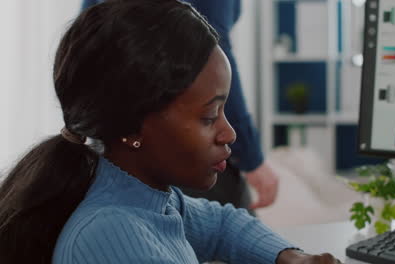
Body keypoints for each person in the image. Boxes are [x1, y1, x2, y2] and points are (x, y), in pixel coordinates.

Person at [0, 0, 340, 263]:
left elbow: (222, 225)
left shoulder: (150, 198)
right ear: (133, 125)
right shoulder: (113, 237)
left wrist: (290, 256)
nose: (229, 134)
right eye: (209, 117)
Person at [81, 0, 279, 214]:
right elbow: (210, 56)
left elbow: (85, 42)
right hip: (176, 141)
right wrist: (250, 156)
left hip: (117, 142)